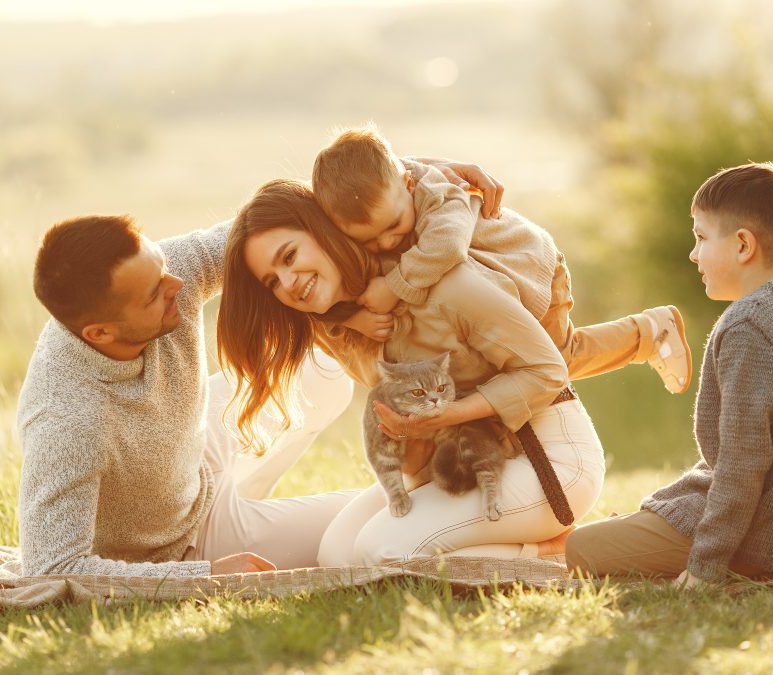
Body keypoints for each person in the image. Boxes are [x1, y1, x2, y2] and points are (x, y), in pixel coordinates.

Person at [16, 160, 501, 577]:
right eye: (154, 291)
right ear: (99, 333)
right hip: (180, 544)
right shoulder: (69, 420)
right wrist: (202, 574)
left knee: (324, 371)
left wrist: (418, 174)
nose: (178, 283)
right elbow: (53, 569)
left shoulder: (159, 278)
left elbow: (284, 219)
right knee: (368, 535)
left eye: (162, 264)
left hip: (197, 454)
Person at [216, 178, 606, 566]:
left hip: (547, 461)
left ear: (324, 230)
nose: (288, 283)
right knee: (336, 558)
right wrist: (409, 436)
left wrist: (452, 413)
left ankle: (555, 552)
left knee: (379, 552)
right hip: (458, 466)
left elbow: (549, 371)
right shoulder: (340, 331)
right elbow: (416, 458)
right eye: (272, 282)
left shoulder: (442, 282)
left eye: (288, 257)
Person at [565, 162, 773, 584]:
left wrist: (705, 566)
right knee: (644, 518)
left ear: (743, 245)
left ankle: (678, 544)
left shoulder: (749, 326)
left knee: (581, 548)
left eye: (701, 238)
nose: (693, 254)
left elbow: (743, 464)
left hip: (766, 544)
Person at [313, 125, 691, 392]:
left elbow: (447, 249)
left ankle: (649, 333)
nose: (387, 241)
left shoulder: (442, 195)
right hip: (496, 283)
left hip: (530, 269)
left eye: (394, 225)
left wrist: (393, 288)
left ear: (409, 184)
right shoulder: (388, 194)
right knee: (509, 365)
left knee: (558, 358)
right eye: (370, 240)